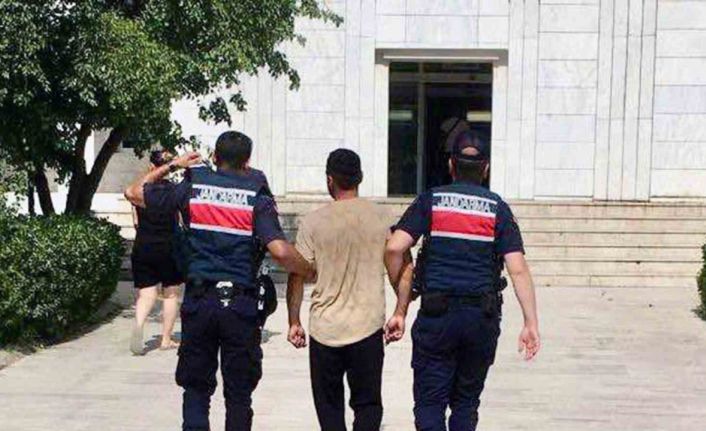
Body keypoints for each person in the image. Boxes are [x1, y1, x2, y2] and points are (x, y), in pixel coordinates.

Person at [124, 131, 314, 431]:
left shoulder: (194, 185)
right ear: (247, 161)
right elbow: (279, 250)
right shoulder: (256, 193)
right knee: (238, 394)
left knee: (196, 390)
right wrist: (309, 270)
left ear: (214, 157)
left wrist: (173, 165)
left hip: (200, 301)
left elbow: (134, 192)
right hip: (240, 304)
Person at [383, 131, 541, 431]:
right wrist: (530, 322)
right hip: (480, 319)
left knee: (430, 404)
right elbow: (518, 269)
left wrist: (403, 297)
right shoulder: (498, 209)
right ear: (486, 169)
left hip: (436, 317)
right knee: (466, 404)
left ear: (451, 165)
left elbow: (394, 248)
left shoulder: (432, 200)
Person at [286, 149, 392, 431]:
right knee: (368, 404)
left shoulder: (313, 222)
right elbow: (399, 263)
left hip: (326, 329)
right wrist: (400, 310)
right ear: (360, 177)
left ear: (329, 179)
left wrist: (294, 320)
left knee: (329, 407)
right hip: (367, 325)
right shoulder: (381, 217)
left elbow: (297, 274)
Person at [129, 150, 184, 355]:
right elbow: (181, 219)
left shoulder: (140, 191)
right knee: (171, 294)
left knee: (146, 293)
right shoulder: (175, 191)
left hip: (144, 244)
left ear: (152, 166)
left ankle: (139, 324)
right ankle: (166, 339)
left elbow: (135, 221)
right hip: (169, 246)